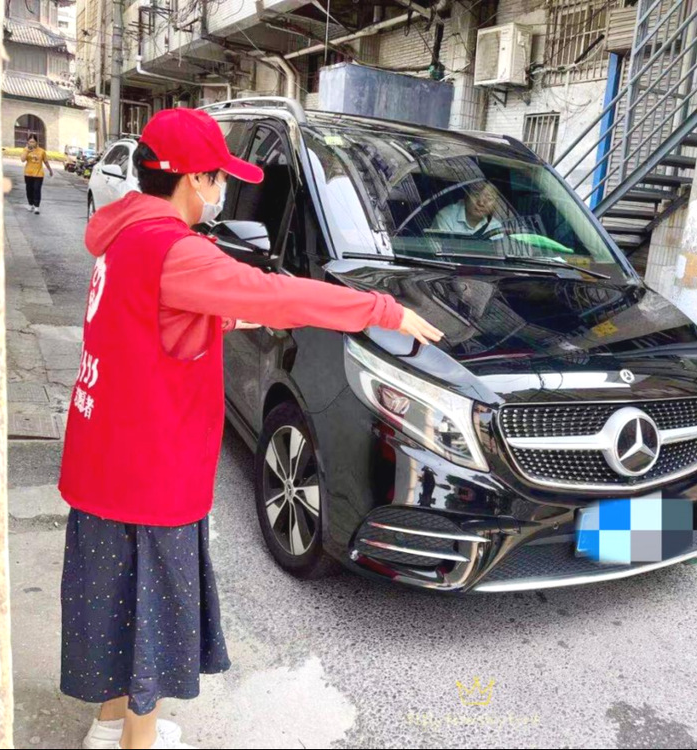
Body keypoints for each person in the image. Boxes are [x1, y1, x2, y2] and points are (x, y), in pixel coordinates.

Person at [57, 107, 443, 750]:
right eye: (218, 178)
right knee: (150, 614)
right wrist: (382, 310)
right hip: (150, 475)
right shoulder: (175, 250)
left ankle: (109, 724)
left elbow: (152, 322)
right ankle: (137, 743)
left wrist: (221, 317)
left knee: (117, 605)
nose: (222, 191)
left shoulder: (125, 234)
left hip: (104, 462)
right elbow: (276, 294)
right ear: (194, 179)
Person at [428, 179, 504, 237]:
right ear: (466, 196)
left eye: (489, 198)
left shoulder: (495, 226)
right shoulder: (447, 217)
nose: (481, 203)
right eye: (476, 195)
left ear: (496, 203)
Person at [21, 134, 52, 214]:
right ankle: (30, 204)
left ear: (36, 142)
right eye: (30, 142)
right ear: (28, 142)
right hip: (28, 174)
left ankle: (36, 207)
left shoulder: (42, 151)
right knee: (29, 190)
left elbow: (46, 162)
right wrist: (27, 151)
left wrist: (50, 170)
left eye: (33, 142)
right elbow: (22, 160)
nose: (31, 143)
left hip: (39, 174)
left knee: (37, 189)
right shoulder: (25, 150)